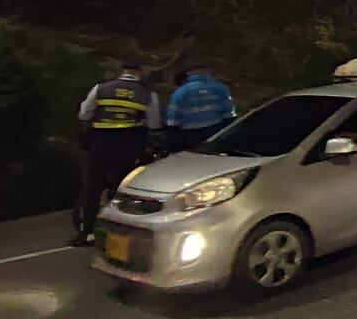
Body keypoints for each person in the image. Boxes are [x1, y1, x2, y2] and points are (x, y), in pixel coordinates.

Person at [73, 62, 161, 246]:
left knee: (92, 187)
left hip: (101, 142)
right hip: (129, 145)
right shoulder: (147, 94)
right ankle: (121, 231)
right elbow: (154, 124)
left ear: (122, 72)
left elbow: (84, 114)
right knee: (123, 186)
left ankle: (87, 232)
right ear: (139, 73)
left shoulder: (101, 88)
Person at [165, 63, 236, 152]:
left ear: (189, 73)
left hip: (189, 136)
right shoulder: (220, 88)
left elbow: (173, 121)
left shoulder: (180, 92)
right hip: (215, 133)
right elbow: (229, 114)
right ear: (208, 72)